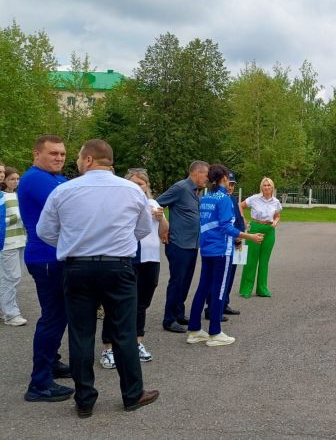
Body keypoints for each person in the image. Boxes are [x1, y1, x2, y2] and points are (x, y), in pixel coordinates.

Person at [37, 139, 159, 417]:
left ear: (89, 159)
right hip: (119, 267)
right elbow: (141, 229)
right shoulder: (132, 190)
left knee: (81, 334)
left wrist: (74, 243)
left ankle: (84, 400)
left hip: (77, 267)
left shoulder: (64, 190)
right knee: (124, 332)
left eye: (79, 158)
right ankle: (132, 394)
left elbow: (45, 231)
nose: (76, 162)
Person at [17, 135, 74, 403]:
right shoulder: (36, 178)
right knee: (53, 317)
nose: (59, 158)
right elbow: (72, 207)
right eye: (53, 154)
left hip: (55, 255)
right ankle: (39, 384)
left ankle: (52, 362)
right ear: (36, 154)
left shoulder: (56, 179)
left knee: (58, 315)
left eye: (62, 154)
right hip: (46, 257)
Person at [186, 165, 263, 346]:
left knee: (202, 288)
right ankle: (215, 332)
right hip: (221, 250)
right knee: (219, 290)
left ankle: (195, 330)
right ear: (224, 179)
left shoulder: (205, 197)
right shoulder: (225, 199)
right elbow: (226, 227)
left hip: (206, 249)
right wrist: (249, 236)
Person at [99, 168, 168, 369]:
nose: (138, 187)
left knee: (142, 303)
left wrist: (161, 218)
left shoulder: (154, 203)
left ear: (147, 186)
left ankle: (137, 343)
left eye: (142, 183)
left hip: (151, 258)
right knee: (116, 303)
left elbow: (165, 232)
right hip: (126, 257)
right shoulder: (120, 203)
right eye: (135, 183)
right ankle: (109, 347)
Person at [156, 161, 209, 333]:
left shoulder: (197, 192)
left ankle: (179, 313)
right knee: (177, 281)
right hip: (178, 244)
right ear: (197, 173)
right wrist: (164, 224)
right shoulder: (180, 188)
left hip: (192, 244)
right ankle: (169, 319)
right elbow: (157, 204)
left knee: (185, 282)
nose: (207, 179)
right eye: (206, 175)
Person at [204, 170, 245, 319]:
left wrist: (241, 235)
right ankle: (212, 309)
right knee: (217, 279)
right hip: (220, 244)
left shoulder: (232, 199)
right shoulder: (217, 198)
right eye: (229, 183)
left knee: (229, 276)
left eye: (233, 184)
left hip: (234, 242)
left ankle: (223, 303)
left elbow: (238, 219)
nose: (230, 187)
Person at [238, 176, 282, 298]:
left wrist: (276, 221)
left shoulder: (276, 201)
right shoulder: (254, 198)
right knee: (251, 259)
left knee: (264, 261)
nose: (267, 187)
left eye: (269, 185)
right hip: (255, 228)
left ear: (272, 187)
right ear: (261, 187)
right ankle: (246, 288)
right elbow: (240, 206)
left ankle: (262, 288)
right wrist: (243, 220)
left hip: (269, 231)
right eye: (264, 185)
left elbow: (277, 216)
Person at [2, 166, 28, 326]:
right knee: (11, 277)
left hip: (20, 240)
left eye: (18, 179)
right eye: (12, 179)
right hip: (7, 242)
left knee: (9, 277)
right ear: (4, 181)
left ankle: (6, 310)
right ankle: (11, 315)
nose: (16, 182)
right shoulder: (2, 197)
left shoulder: (17, 195)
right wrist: (16, 217)